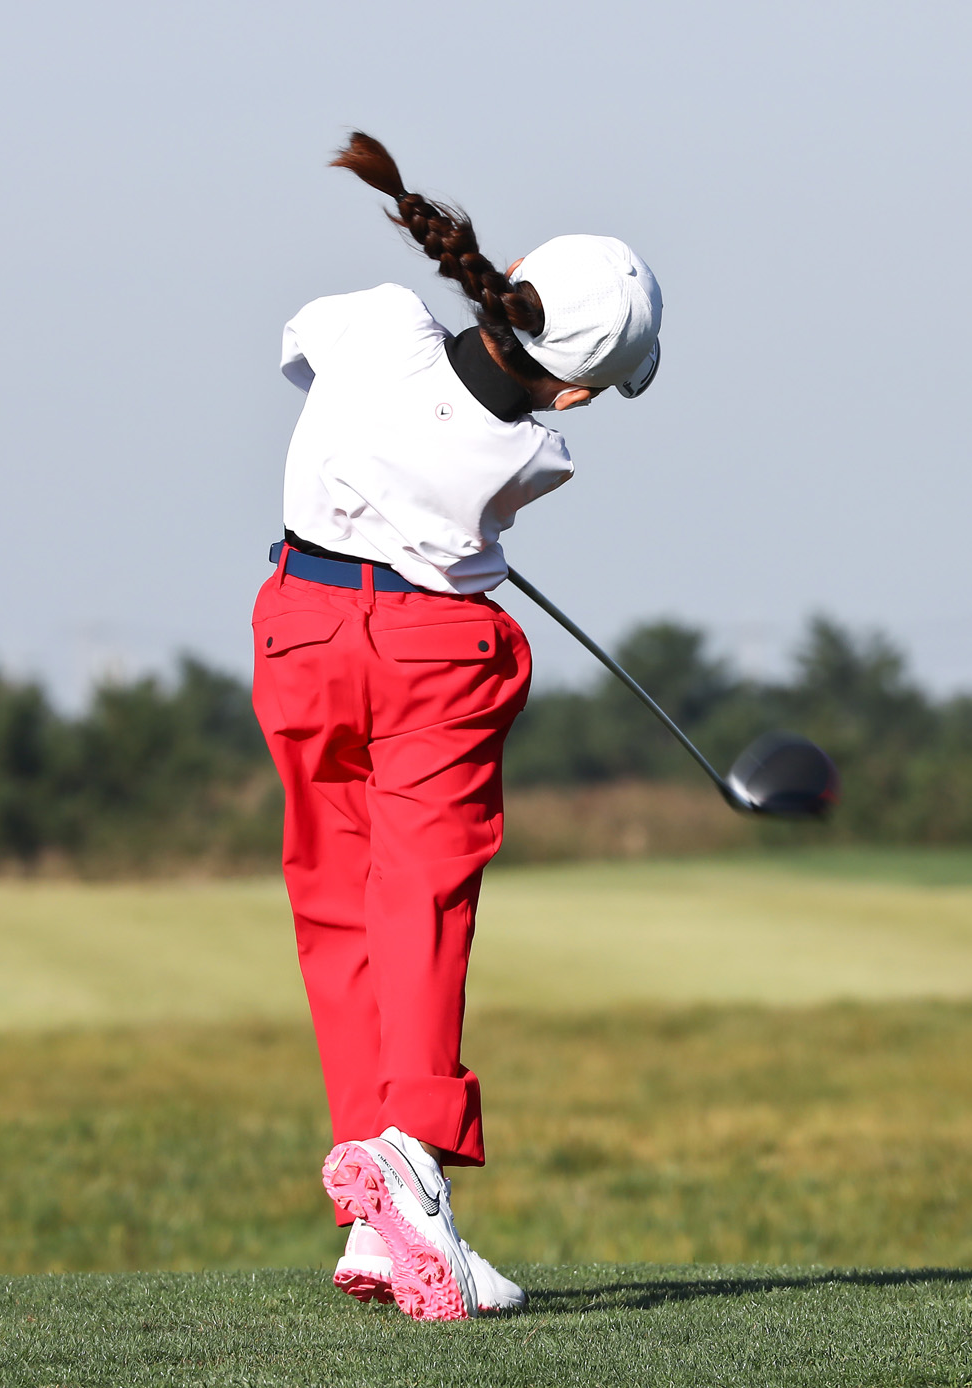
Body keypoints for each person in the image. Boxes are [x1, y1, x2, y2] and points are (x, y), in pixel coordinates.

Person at [250, 131, 662, 1322]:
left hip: (302, 627)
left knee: (337, 906)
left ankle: (374, 1212)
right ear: (579, 385)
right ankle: (412, 1163)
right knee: (420, 899)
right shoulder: (540, 454)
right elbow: (484, 443)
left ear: (518, 270)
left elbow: (300, 353)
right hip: (431, 652)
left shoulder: (372, 317)